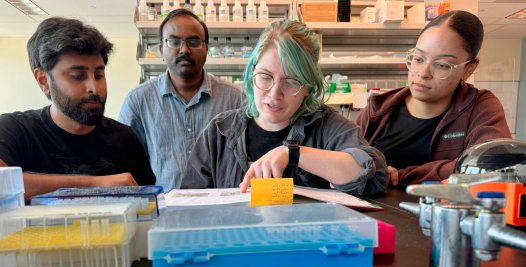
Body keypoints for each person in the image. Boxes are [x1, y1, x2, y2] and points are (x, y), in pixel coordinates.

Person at [181, 20, 388, 195]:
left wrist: (294, 154)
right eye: (265, 77)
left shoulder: (326, 126)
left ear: (308, 87)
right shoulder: (220, 132)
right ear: (251, 73)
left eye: (291, 81)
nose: (274, 94)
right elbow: (189, 202)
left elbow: (374, 172)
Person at [0, 17, 155, 201]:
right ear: (43, 81)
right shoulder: (16, 130)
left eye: (99, 74)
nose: (94, 87)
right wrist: (94, 185)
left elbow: (147, 206)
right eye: (78, 76)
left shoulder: (125, 139)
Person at [356, 10, 511, 188]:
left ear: (469, 69)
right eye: (418, 58)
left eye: (442, 65)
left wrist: (399, 176)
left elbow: (488, 164)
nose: (423, 73)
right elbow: (344, 160)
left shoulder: (480, 107)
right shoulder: (379, 109)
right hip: (372, 215)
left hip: (447, 215)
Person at [118, 8, 243, 193]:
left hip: (222, 210)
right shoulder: (138, 101)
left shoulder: (235, 98)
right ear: (161, 49)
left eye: (193, 41)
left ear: (206, 48)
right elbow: (126, 165)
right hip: (164, 212)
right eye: (174, 41)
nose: (184, 49)